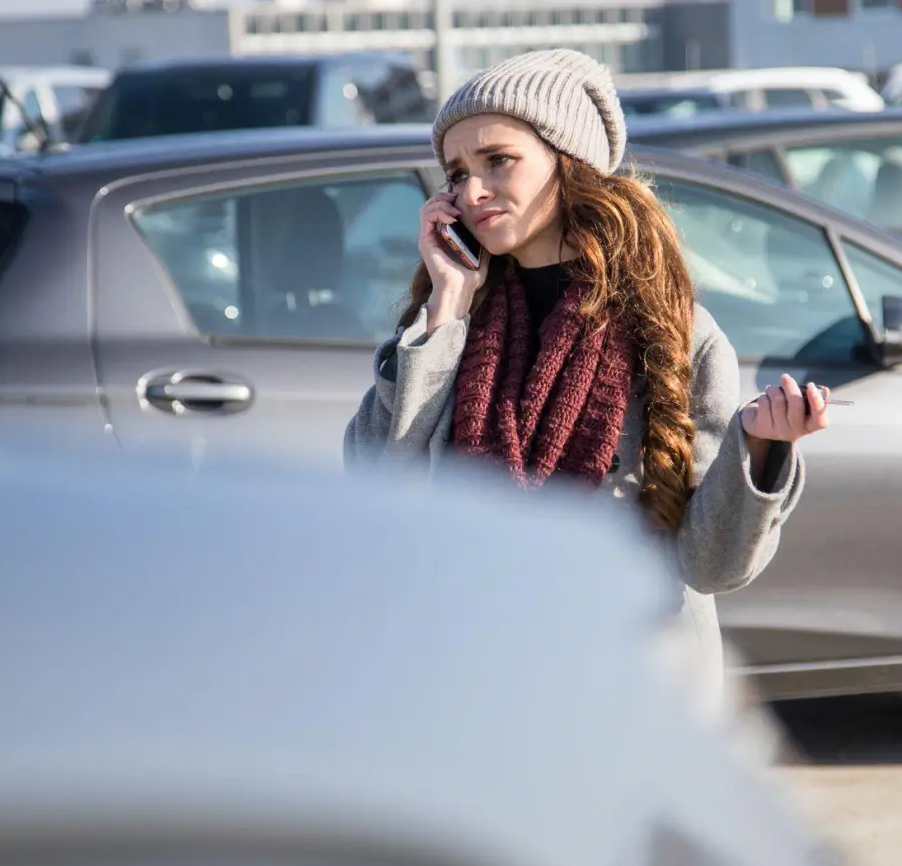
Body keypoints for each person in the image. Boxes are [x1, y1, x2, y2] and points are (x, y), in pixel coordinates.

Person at [344, 49, 831, 713]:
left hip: (633, 695)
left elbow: (712, 565)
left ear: (566, 159)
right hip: (475, 686)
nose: (471, 191)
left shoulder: (672, 331)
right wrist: (446, 305)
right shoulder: (450, 323)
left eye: (498, 160)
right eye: (456, 173)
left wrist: (762, 449)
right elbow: (375, 483)